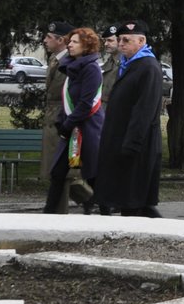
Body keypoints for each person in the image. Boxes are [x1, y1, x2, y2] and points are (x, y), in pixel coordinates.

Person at [93, 19, 165, 218]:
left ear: (141, 41)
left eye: (126, 40)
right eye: (120, 39)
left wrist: (131, 144)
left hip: (137, 146)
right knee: (131, 201)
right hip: (122, 141)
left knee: (134, 202)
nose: (121, 43)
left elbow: (144, 111)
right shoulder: (129, 65)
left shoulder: (148, 67)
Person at [47, 27, 105, 215]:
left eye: (74, 42)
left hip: (87, 128)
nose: (69, 44)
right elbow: (69, 98)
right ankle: (49, 214)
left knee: (93, 175)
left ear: (86, 45)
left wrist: (67, 124)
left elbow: (85, 103)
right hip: (71, 127)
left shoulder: (91, 69)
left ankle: (105, 211)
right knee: (57, 173)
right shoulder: (73, 66)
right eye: (69, 41)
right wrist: (62, 122)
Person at [39, 21, 74, 214]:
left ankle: (57, 211)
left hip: (61, 119)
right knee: (55, 170)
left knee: (61, 170)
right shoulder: (54, 59)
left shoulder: (69, 61)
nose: (45, 40)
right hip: (52, 118)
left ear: (61, 40)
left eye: (49, 37)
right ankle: (55, 209)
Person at [99, 24, 120, 98]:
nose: (105, 44)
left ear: (120, 41)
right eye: (105, 41)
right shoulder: (110, 60)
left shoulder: (125, 63)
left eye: (110, 40)